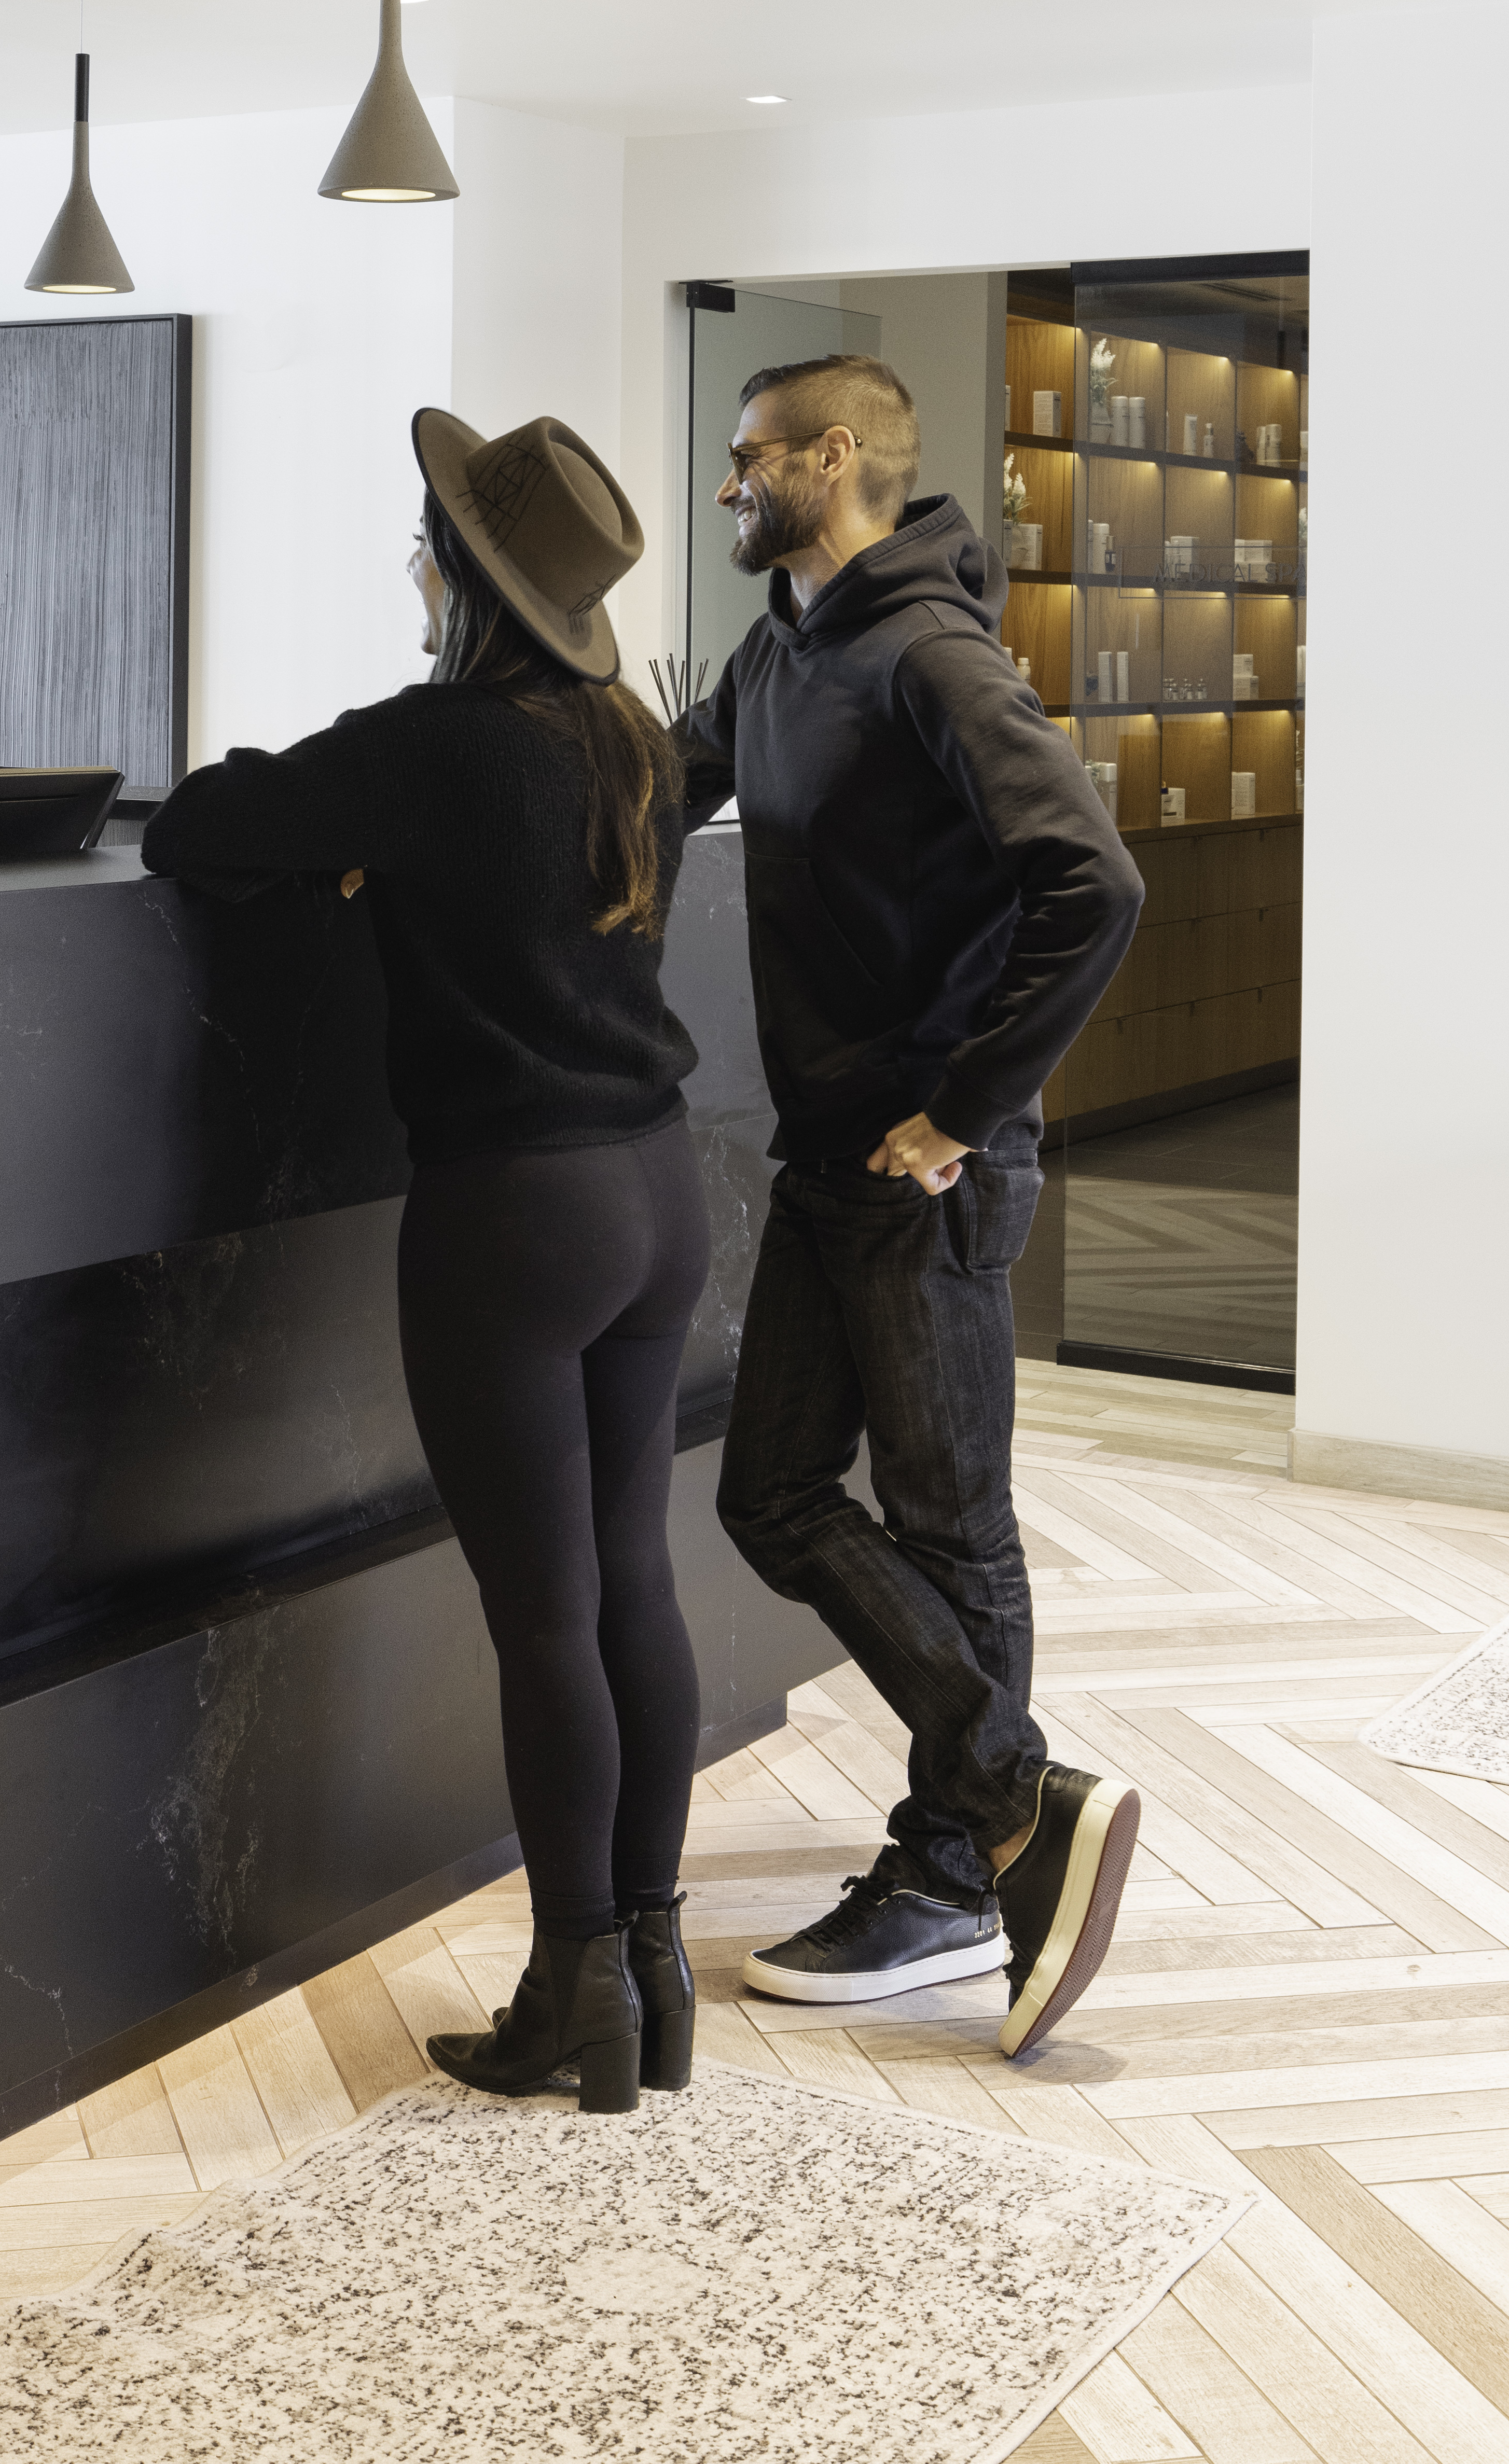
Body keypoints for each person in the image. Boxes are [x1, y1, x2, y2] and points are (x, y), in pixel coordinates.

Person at [141, 411, 705, 2116]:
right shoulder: (632, 738)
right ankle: (652, 1970)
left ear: (461, 576)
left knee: (541, 1614)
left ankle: (572, 1987)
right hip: (659, 1189)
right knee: (631, 1581)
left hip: (514, 1213)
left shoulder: (434, 745)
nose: (414, 562)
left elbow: (197, 824)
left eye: (425, 542)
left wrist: (353, 844)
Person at [673, 351, 1146, 2056]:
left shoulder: (930, 651)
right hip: (830, 1150)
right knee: (775, 1492)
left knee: (952, 1525)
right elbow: (667, 782)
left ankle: (956, 1866)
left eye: (749, 463)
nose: (730, 488)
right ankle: (1013, 1785)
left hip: (926, 1163)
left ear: (839, 454)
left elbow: (1091, 881)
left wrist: (961, 1105)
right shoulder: (782, 643)